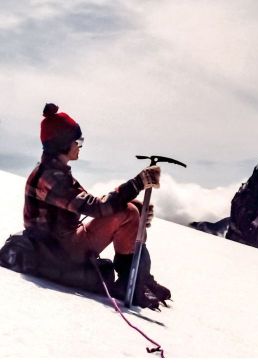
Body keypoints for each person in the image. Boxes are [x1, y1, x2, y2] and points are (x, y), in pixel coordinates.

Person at [23, 103, 170, 309]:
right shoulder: (51, 178)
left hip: (62, 241)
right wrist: (137, 184)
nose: (80, 145)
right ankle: (132, 282)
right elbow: (95, 207)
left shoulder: (56, 172)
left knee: (132, 206)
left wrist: (133, 197)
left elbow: (90, 203)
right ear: (63, 143)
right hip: (58, 249)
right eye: (77, 141)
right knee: (127, 212)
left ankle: (140, 278)